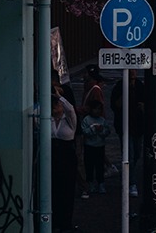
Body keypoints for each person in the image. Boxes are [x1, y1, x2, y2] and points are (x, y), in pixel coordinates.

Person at [110, 69, 145, 196]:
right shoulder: (119, 87)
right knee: (128, 154)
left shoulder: (140, 86)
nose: (132, 73)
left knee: (136, 154)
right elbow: (114, 105)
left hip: (138, 126)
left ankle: (127, 176)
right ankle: (131, 182)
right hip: (124, 126)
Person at [50, 91, 77, 233]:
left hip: (67, 156)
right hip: (52, 155)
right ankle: (53, 221)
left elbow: (71, 109)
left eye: (57, 104)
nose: (55, 106)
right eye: (53, 104)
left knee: (67, 190)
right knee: (53, 189)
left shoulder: (69, 120)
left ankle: (66, 222)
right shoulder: (47, 119)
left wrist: (59, 96)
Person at [80, 97, 110, 196]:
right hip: (89, 146)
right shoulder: (86, 120)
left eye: (99, 109)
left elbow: (107, 131)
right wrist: (93, 129)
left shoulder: (102, 120)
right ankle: (90, 183)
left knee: (99, 166)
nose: (97, 111)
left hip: (100, 146)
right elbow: (84, 132)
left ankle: (101, 183)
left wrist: (101, 130)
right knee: (89, 165)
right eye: (95, 109)